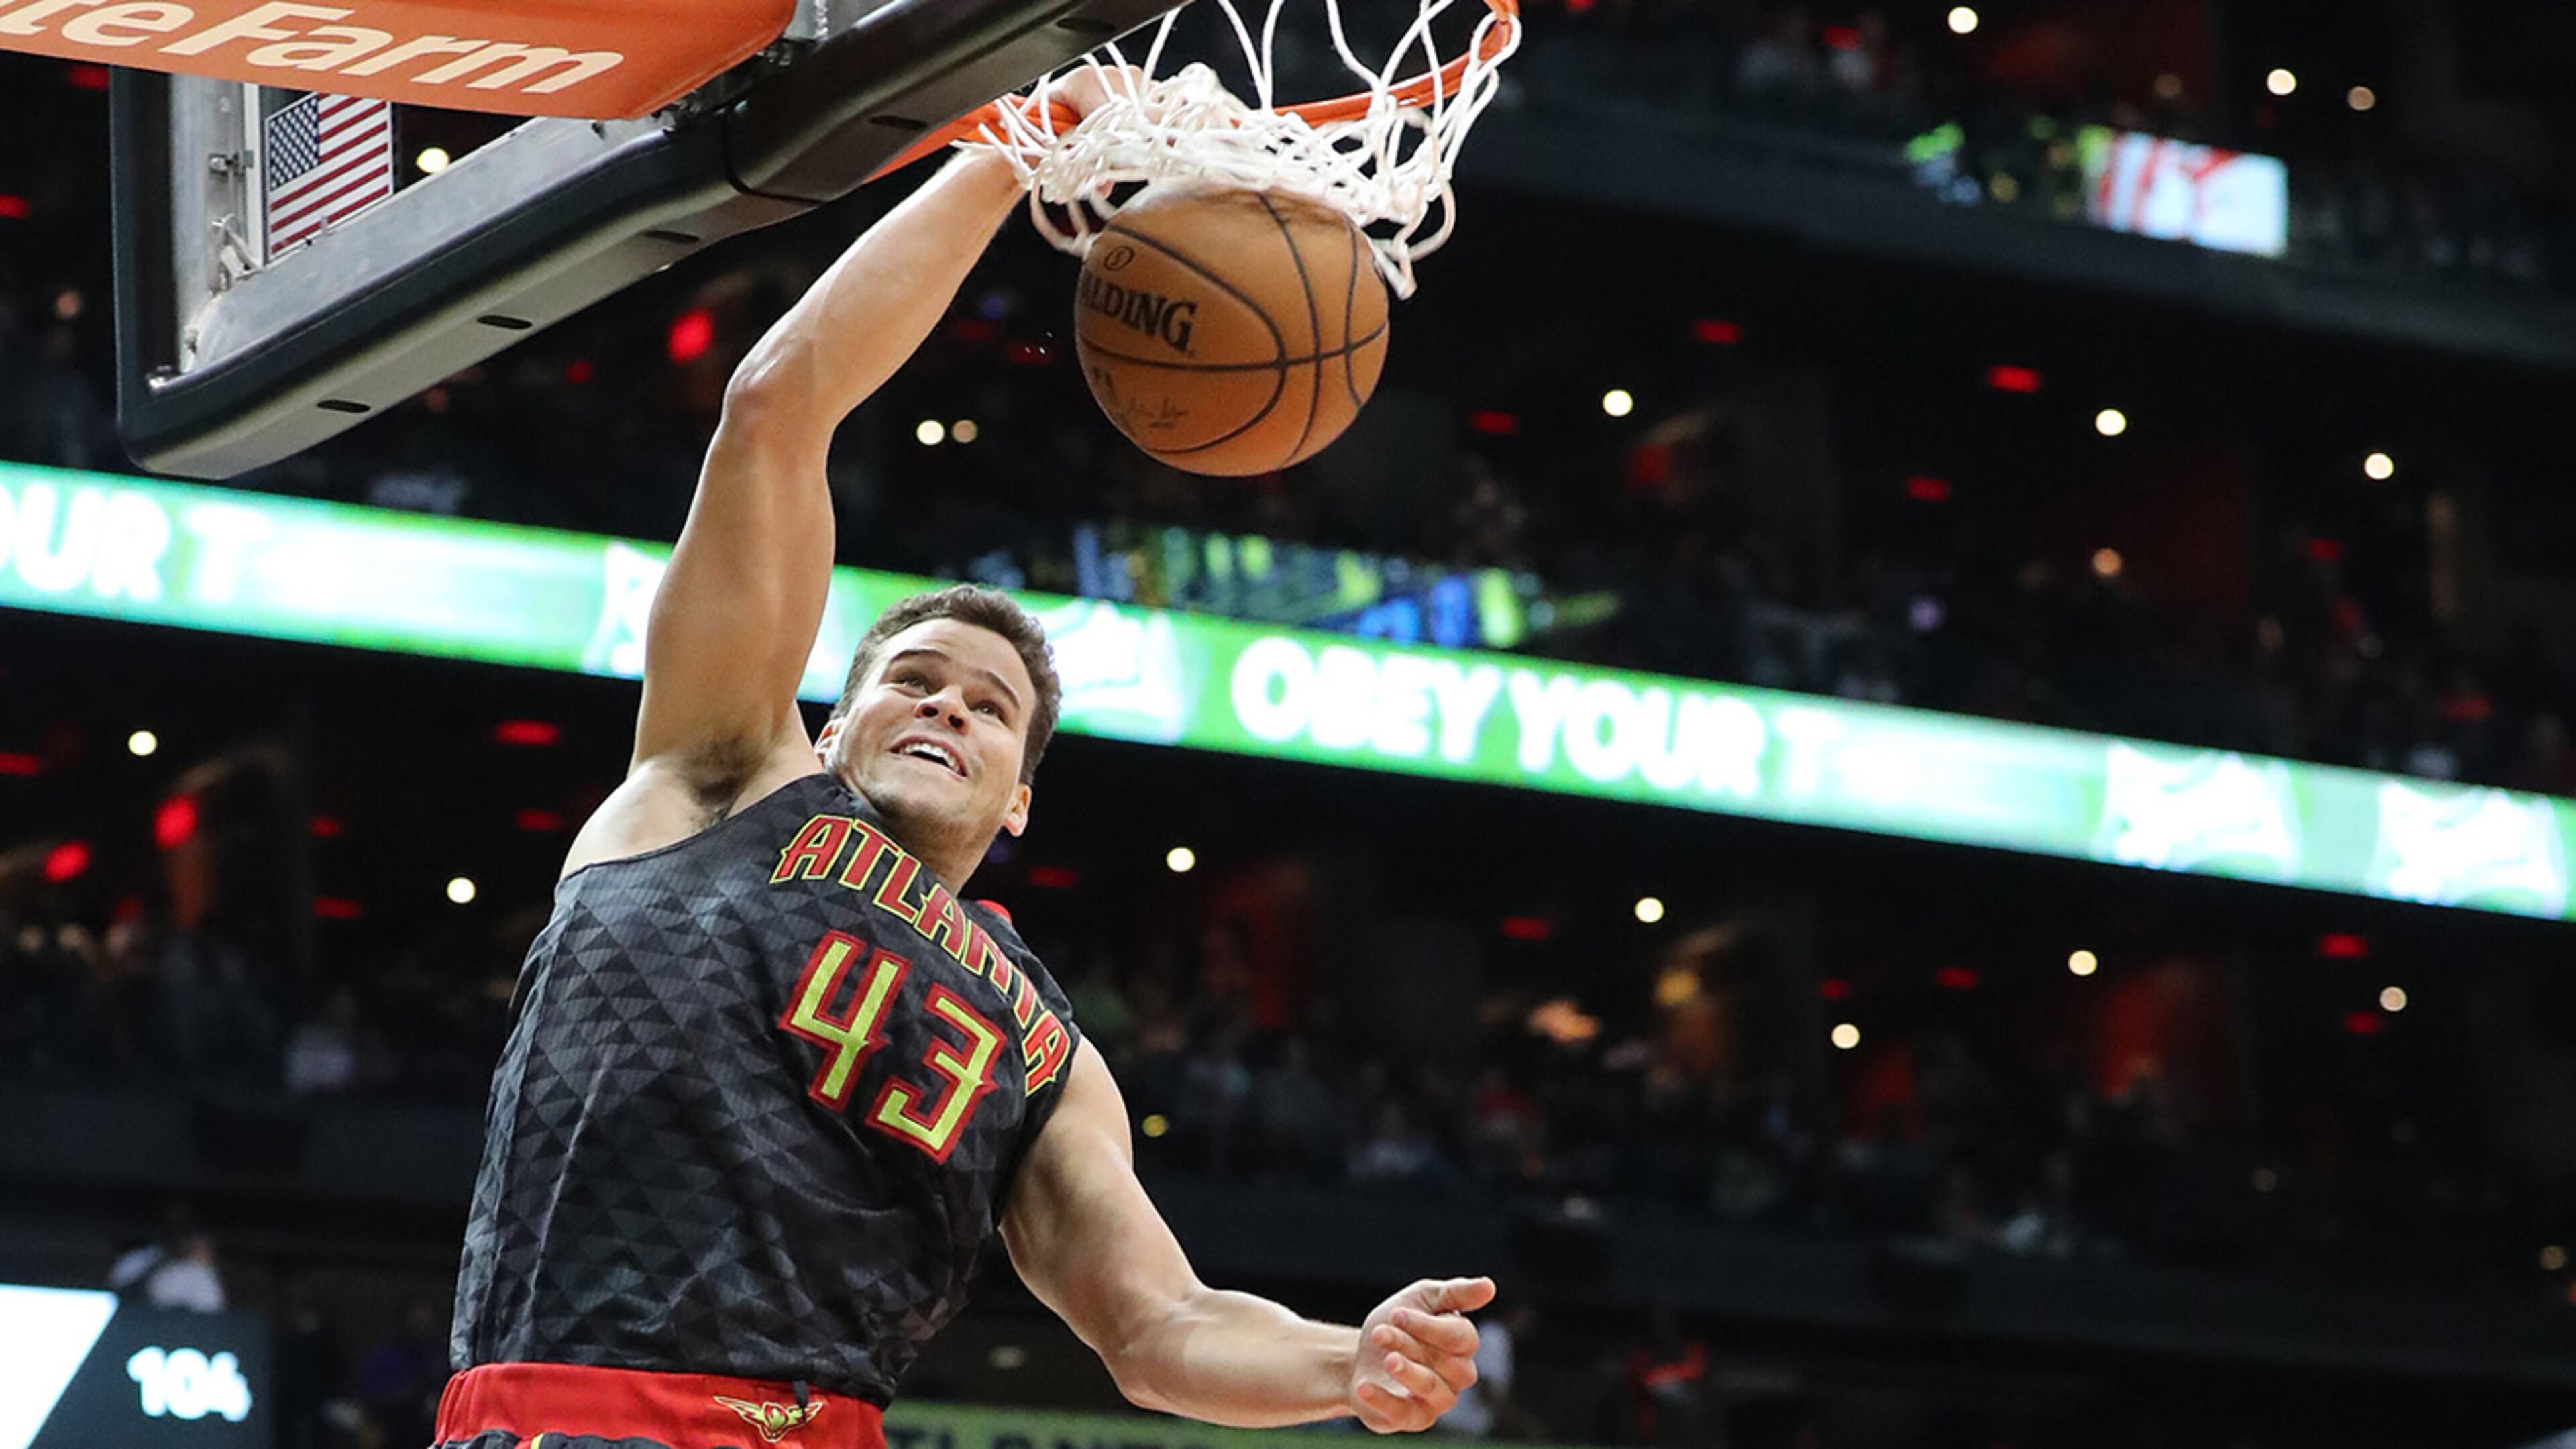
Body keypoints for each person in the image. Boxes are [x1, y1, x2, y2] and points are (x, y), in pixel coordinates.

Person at [433, 70, 1489, 1449]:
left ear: (1022, 796)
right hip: (576, 1419)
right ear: (832, 722)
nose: (947, 710)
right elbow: (776, 406)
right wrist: (1018, 147)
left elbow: (1159, 1329)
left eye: (989, 709)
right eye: (913, 683)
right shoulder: (716, 779)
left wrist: (1348, 1361)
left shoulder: (1046, 1043)